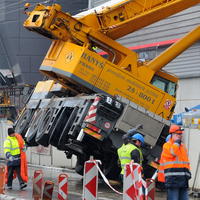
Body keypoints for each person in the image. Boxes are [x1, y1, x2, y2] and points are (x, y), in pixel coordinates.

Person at [158, 124, 191, 200]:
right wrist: (176, 143)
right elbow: (173, 153)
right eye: (177, 134)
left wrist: (188, 174)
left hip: (183, 179)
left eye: (180, 134)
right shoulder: (167, 146)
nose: (179, 136)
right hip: (173, 180)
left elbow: (185, 162)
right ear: (172, 134)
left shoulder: (182, 147)